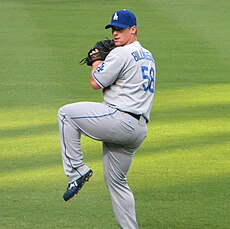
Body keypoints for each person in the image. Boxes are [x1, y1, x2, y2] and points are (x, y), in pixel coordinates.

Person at [58, 9, 156, 229]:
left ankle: (76, 170)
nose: (115, 34)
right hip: (138, 130)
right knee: (117, 183)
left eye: (120, 29)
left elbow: (96, 82)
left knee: (66, 114)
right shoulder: (148, 56)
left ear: (133, 30)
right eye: (113, 29)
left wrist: (97, 60)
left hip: (119, 120)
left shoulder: (120, 54)